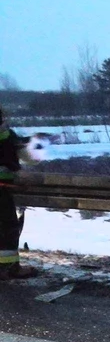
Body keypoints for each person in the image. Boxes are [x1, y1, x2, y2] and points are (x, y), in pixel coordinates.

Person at [0, 104, 38, 279]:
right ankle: (8, 267)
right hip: (2, 189)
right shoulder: (7, 135)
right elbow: (30, 159)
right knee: (7, 227)